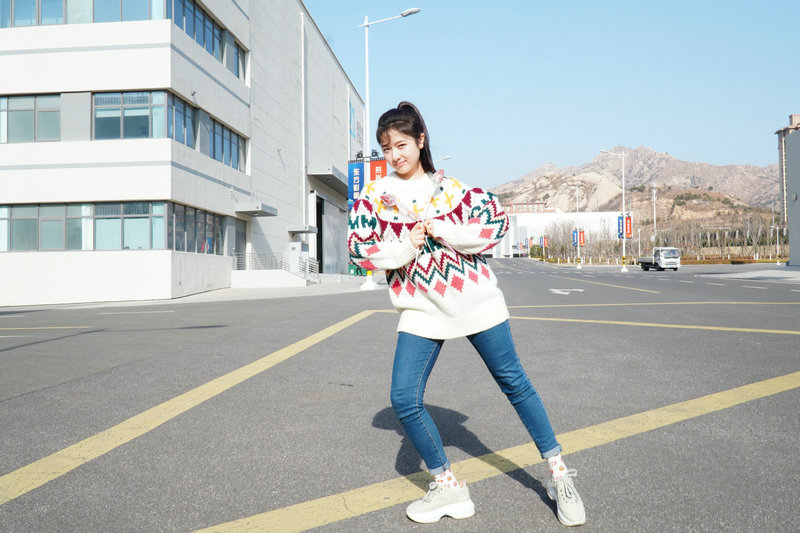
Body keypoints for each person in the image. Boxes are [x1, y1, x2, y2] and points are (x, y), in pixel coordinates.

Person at [347, 101, 586, 527]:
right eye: (386, 148)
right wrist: (404, 248)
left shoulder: (452, 190)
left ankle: (559, 474)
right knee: (404, 398)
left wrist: (446, 230)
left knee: (515, 384)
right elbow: (358, 250)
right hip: (421, 306)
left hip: (476, 300)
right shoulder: (375, 197)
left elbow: (497, 222)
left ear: (421, 141)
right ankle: (449, 486)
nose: (395, 155)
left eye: (401, 145)